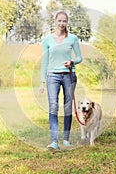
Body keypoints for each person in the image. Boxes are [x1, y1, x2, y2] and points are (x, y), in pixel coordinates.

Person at [39, 11, 83, 151]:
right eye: (59, 21)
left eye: (64, 21)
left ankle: (66, 139)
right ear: (55, 21)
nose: (62, 24)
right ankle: (54, 141)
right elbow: (44, 61)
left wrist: (72, 61)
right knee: (53, 106)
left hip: (69, 75)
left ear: (67, 22)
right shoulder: (47, 40)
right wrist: (42, 82)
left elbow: (79, 57)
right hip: (52, 76)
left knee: (67, 106)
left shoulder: (73, 38)